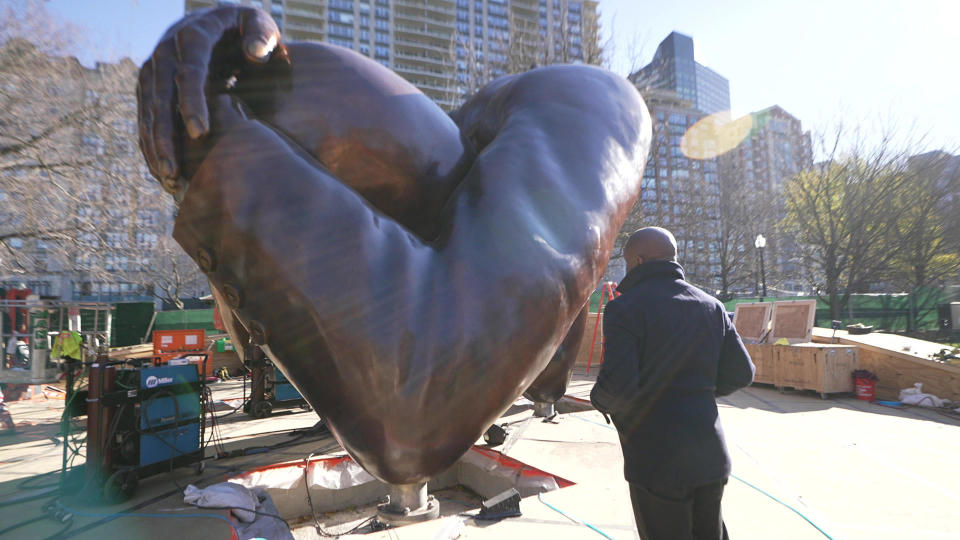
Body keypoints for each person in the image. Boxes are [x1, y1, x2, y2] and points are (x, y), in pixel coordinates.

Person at [590, 227, 754, 540]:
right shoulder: (711, 306)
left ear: (637, 261)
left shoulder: (625, 309)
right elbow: (742, 372)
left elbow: (618, 386)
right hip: (710, 455)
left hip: (657, 460)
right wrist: (698, 393)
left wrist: (599, 401)